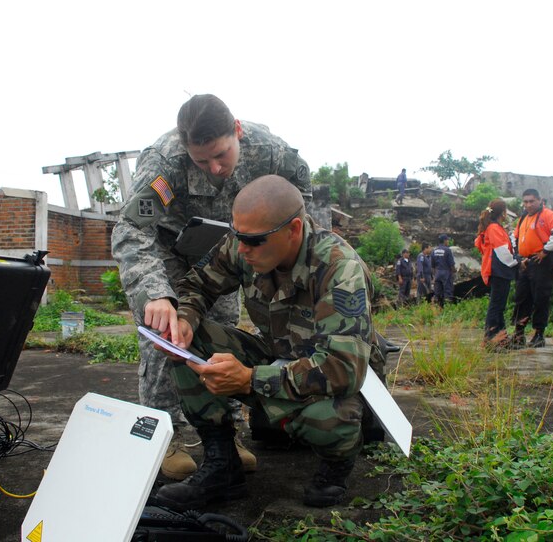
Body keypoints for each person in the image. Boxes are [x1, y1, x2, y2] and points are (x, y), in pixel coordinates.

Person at [150, 175, 382, 510]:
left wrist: (249, 379)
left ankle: (336, 465)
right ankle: (222, 463)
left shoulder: (338, 268)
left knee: (333, 419)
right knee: (187, 341)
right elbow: (197, 285)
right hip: (277, 355)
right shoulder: (245, 242)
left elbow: (342, 368)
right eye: (238, 235)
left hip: (334, 374)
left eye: (253, 240)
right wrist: (184, 319)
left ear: (294, 230)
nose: (242, 249)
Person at [111, 94, 311, 481]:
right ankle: (161, 436)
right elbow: (132, 228)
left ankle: (226, 433)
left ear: (236, 130)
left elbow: (306, 203)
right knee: (165, 336)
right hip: (167, 251)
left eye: (221, 155)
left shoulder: (272, 152)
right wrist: (155, 292)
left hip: (227, 253)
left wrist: (303, 266)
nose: (215, 168)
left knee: (221, 337)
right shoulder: (164, 162)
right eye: (202, 161)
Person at [509, 189, 553, 349]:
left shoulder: (547, 215)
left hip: (541, 262)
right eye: (526, 201)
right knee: (521, 297)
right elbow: (515, 237)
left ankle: (538, 334)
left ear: (539, 200)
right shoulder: (523, 218)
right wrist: (518, 257)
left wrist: (546, 250)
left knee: (541, 298)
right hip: (525, 262)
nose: (528, 204)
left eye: (531, 201)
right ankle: (519, 333)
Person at [474, 199, 518, 350]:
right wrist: (515, 262)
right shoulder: (494, 228)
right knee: (496, 306)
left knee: (499, 306)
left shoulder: (491, 228)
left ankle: (501, 339)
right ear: (503, 213)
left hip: (498, 270)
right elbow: (502, 251)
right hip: (499, 270)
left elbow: (479, 244)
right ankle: (490, 339)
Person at [431, 234, 455, 307]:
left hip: (437, 273)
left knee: (437, 292)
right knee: (448, 291)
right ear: (444, 241)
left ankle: (437, 308)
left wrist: (434, 276)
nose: (448, 241)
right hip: (446, 273)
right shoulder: (447, 250)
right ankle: (447, 308)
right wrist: (454, 272)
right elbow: (451, 265)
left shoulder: (434, 251)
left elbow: (432, 265)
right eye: (447, 240)